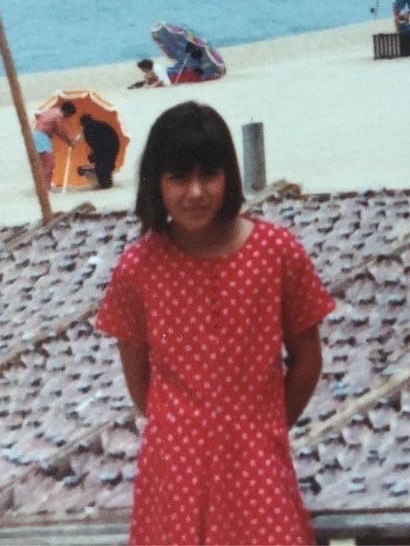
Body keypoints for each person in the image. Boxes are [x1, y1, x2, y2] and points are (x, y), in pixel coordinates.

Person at [95, 102, 334, 545]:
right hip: (173, 469)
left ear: (230, 176)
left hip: (257, 460)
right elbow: (138, 375)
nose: (196, 192)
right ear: (156, 183)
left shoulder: (277, 252)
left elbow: (307, 360)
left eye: (209, 175)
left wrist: (263, 425)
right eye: (179, 178)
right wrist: (184, 430)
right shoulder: (138, 267)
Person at [32, 100, 78, 192]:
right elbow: (60, 131)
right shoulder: (59, 115)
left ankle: (44, 186)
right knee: (49, 164)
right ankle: (45, 188)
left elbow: (57, 131)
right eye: (69, 116)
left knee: (45, 165)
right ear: (67, 112)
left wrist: (69, 140)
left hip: (40, 136)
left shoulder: (54, 110)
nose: (67, 118)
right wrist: (70, 141)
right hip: (41, 137)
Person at [78, 113, 120, 189]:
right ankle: (105, 181)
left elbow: (96, 149)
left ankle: (104, 182)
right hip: (112, 146)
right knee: (103, 164)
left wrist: (86, 167)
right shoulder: (99, 125)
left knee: (101, 165)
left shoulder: (88, 130)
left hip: (107, 148)